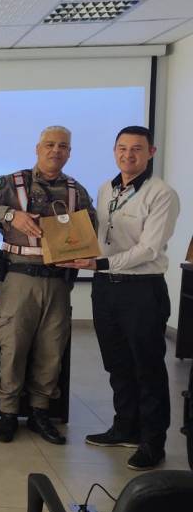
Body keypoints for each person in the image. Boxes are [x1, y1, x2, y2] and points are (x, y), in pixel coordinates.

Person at [0, 125, 95, 445]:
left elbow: (91, 226)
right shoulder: (12, 183)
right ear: (37, 148)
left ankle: (39, 413)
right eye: (49, 144)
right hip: (20, 280)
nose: (55, 151)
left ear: (69, 153)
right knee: (13, 347)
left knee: (51, 351)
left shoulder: (76, 191)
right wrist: (9, 215)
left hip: (58, 284)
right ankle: (8, 412)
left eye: (62, 146)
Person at [60, 126, 179, 470]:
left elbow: (149, 249)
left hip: (142, 289)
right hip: (105, 289)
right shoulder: (106, 188)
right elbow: (99, 235)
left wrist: (99, 262)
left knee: (148, 367)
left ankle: (153, 442)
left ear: (150, 152)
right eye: (122, 148)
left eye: (137, 149)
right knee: (117, 362)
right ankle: (125, 426)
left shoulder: (161, 194)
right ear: (114, 151)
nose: (129, 155)